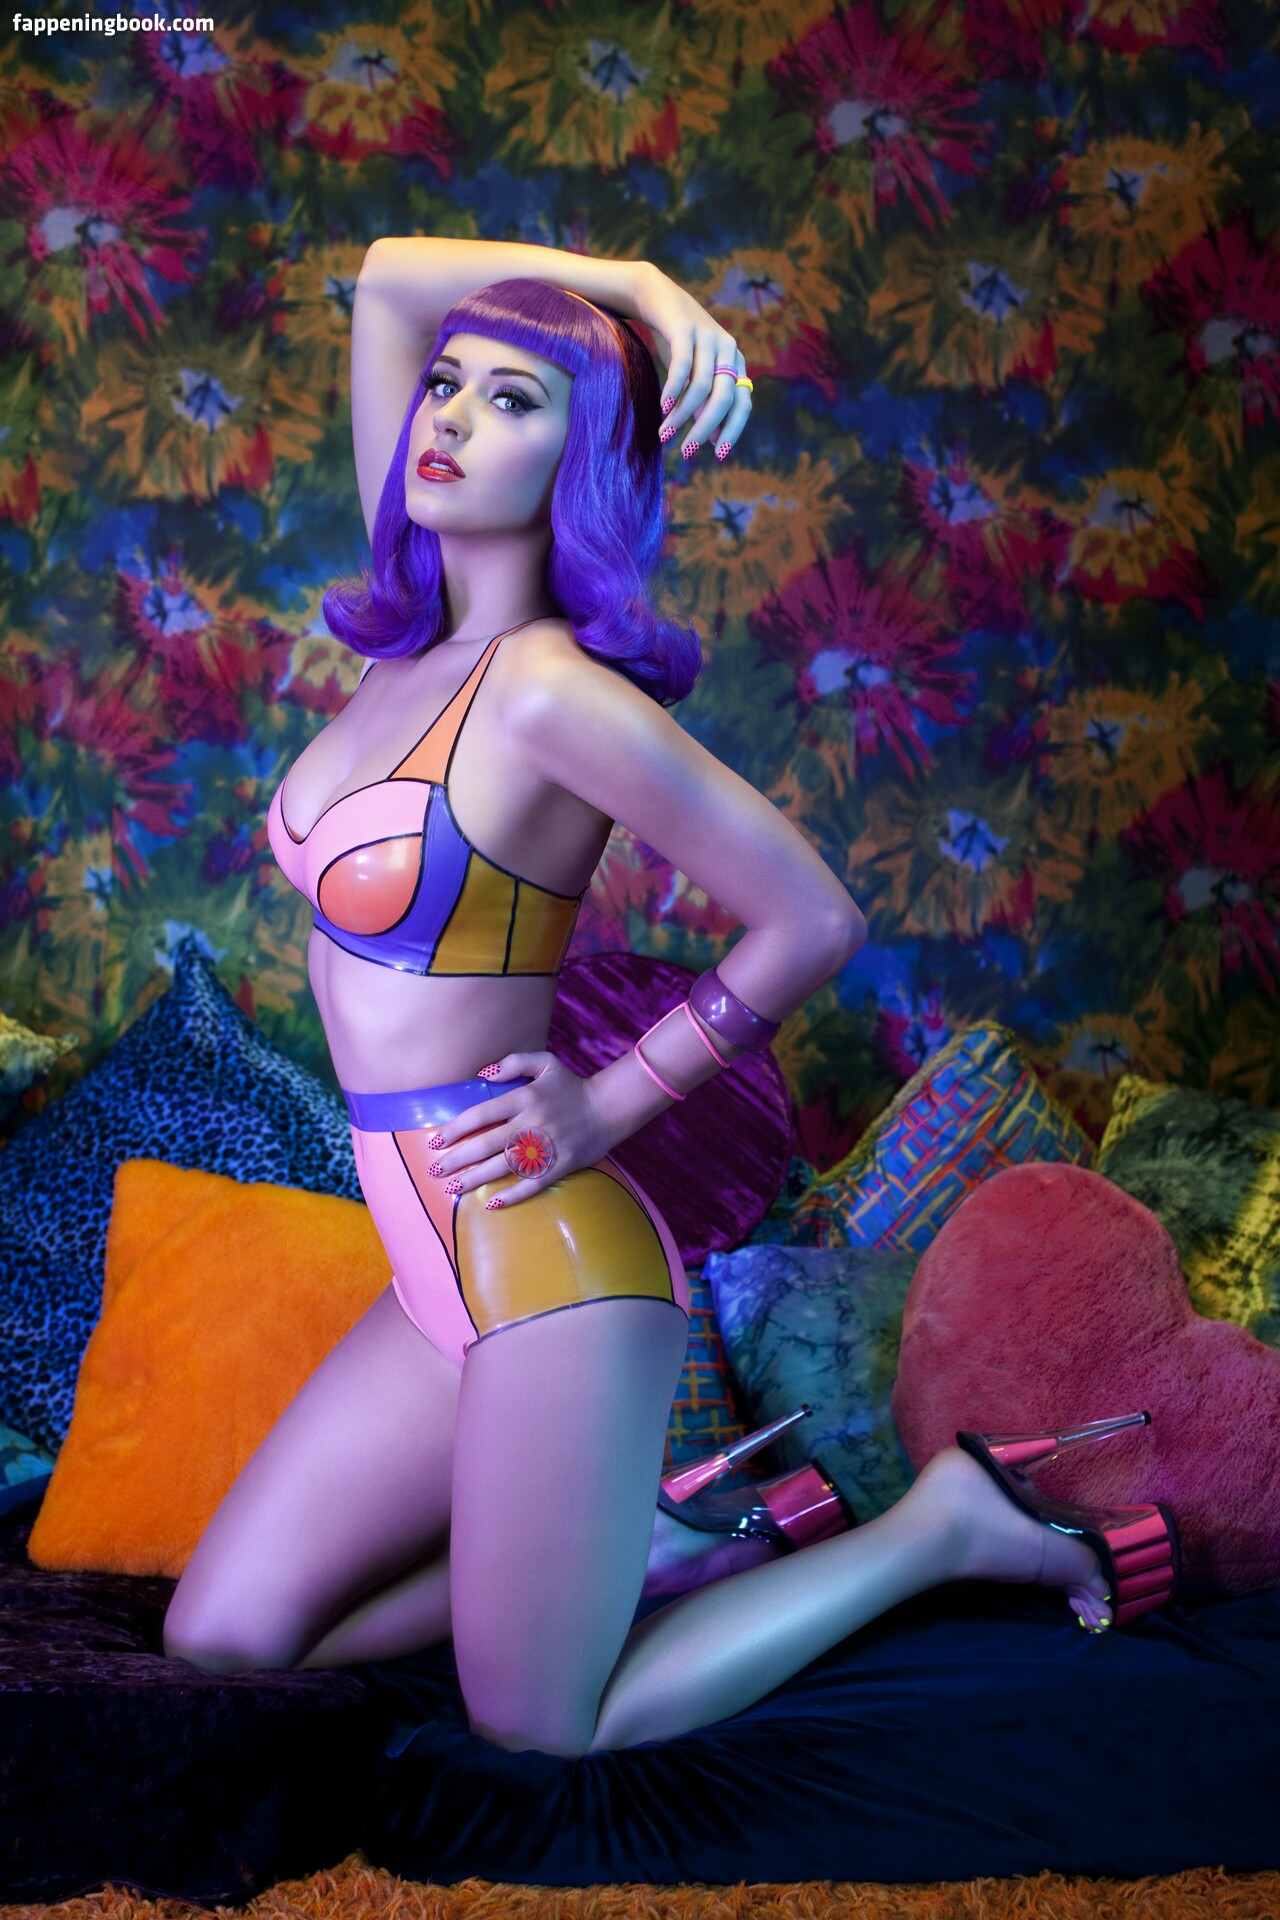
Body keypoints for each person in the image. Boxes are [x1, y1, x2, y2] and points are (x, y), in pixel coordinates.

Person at [162, 239, 1170, 1757]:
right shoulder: (416, 641)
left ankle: (938, 1531)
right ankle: (655, 1543)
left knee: (545, 1728)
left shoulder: (550, 694)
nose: (449, 418)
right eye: (447, 387)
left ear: (581, 463)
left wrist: (608, 1103)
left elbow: (812, 918)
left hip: (545, 1263)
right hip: (427, 1270)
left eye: (513, 401)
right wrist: (634, 281)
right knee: (221, 1641)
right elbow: (387, 279)